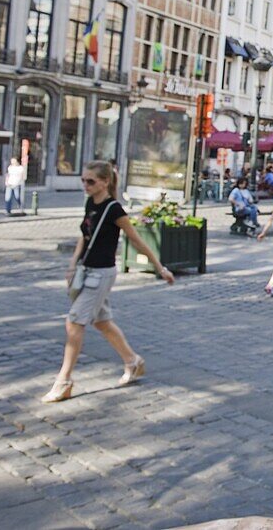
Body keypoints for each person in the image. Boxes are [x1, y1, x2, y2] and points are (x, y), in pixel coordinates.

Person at [42, 161, 174, 403]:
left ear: (105, 182)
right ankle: (132, 361)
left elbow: (136, 240)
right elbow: (85, 236)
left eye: (90, 181)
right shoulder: (90, 203)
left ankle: (64, 381)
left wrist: (160, 268)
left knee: (74, 322)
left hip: (102, 274)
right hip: (86, 269)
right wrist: (72, 264)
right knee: (102, 322)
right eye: (83, 180)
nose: (86, 185)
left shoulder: (115, 210)